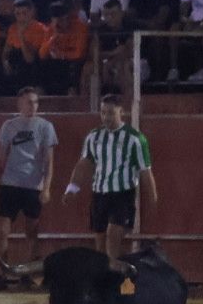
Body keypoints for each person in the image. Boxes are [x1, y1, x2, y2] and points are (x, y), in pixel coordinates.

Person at [63, 94, 157, 262]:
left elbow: (145, 171)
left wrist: (152, 198)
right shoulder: (94, 136)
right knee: (99, 241)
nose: (106, 117)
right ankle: (106, 277)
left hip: (123, 194)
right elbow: (83, 164)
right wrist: (72, 188)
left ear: (121, 112)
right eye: (103, 112)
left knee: (113, 235)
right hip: (99, 193)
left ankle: (114, 278)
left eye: (111, 113)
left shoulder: (135, 138)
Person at [0, 87, 58, 289]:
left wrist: (46, 188)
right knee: (2, 230)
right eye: (29, 102)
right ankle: (2, 273)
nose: (33, 106)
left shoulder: (45, 127)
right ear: (19, 104)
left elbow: (49, 161)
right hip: (10, 184)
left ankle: (30, 274)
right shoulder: (9, 126)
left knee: (32, 231)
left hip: (32, 185)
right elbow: (0, 159)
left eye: (35, 102)